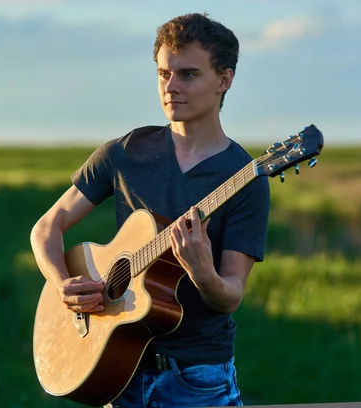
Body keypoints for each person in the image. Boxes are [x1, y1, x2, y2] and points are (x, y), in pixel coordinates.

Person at [30, 12, 271, 408]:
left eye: (188, 75)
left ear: (224, 80)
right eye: (163, 74)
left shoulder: (245, 178)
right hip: (116, 369)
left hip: (195, 381)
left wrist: (201, 270)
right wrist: (61, 284)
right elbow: (47, 227)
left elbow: (229, 295)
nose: (170, 87)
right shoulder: (125, 153)